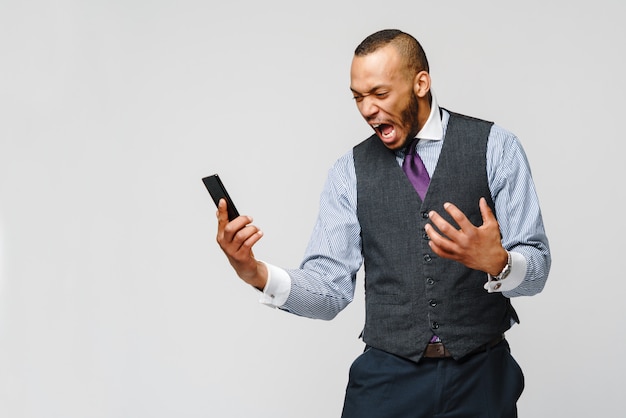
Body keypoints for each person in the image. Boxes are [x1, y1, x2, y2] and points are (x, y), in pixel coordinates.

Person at [216, 29, 550, 418]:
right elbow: (328, 290)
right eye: (358, 97)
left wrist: (500, 262)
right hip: (388, 379)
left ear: (420, 83)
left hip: (482, 377)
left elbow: (537, 270)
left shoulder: (497, 146)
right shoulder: (348, 172)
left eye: (379, 93)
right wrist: (255, 272)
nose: (367, 109)